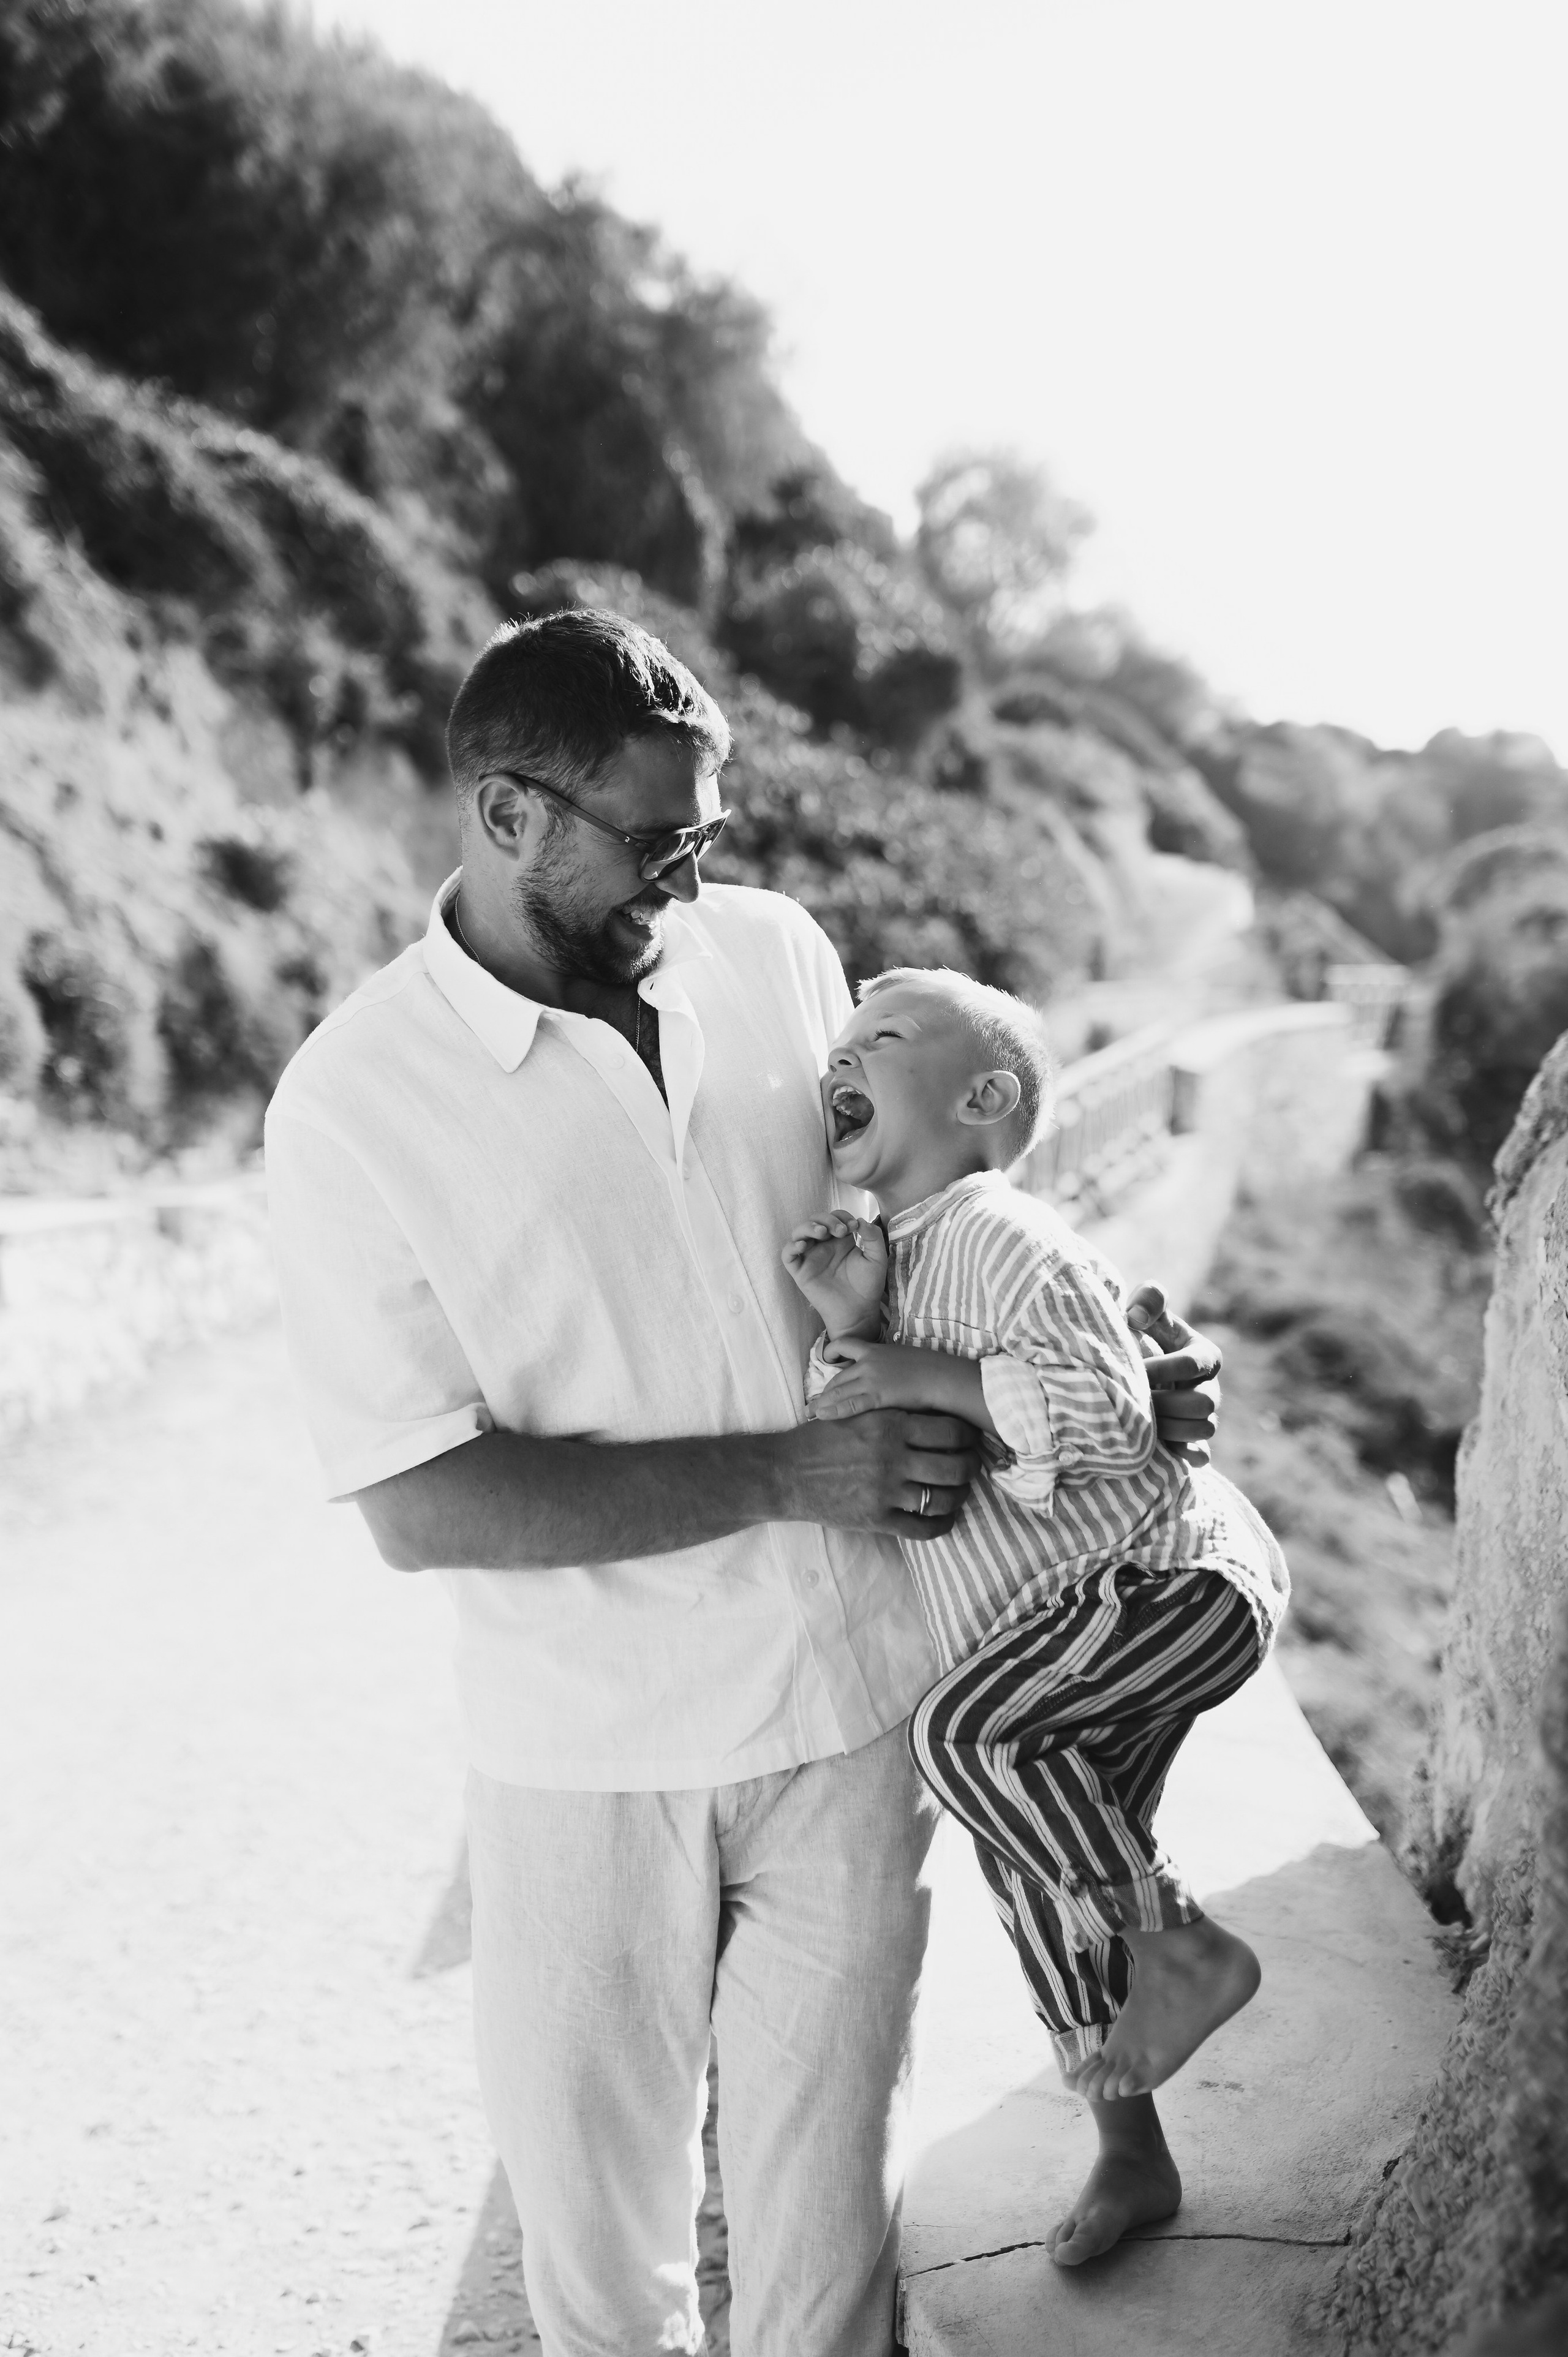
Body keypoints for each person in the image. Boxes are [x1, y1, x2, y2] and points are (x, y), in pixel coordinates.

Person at [263, 607, 1225, 2355]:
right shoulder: (350, 1107)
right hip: (587, 1769)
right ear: (505, 817)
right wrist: (794, 1469)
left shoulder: (773, 949)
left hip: (858, 1720)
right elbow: (424, 1504)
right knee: (605, 2280)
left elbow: (933, 1218)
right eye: (652, 841)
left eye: (707, 835)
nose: (687, 881)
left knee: (826, 2266)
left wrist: (1110, 1358)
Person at [784, 964, 1288, 2271]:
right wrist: (855, 1322)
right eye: (834, 1045)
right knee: (1038, 1867)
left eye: (878, 1039)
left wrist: (902, 1363)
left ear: (983, 1096)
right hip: (1070, 1619)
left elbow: (1111, 1413)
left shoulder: (1005, 1230)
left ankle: (1179, 1941)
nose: (839, 1062)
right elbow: (877, 1412)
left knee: (960, 1737)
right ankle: (1133, 2156)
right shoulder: (899, 1257)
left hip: (1163, 1580)